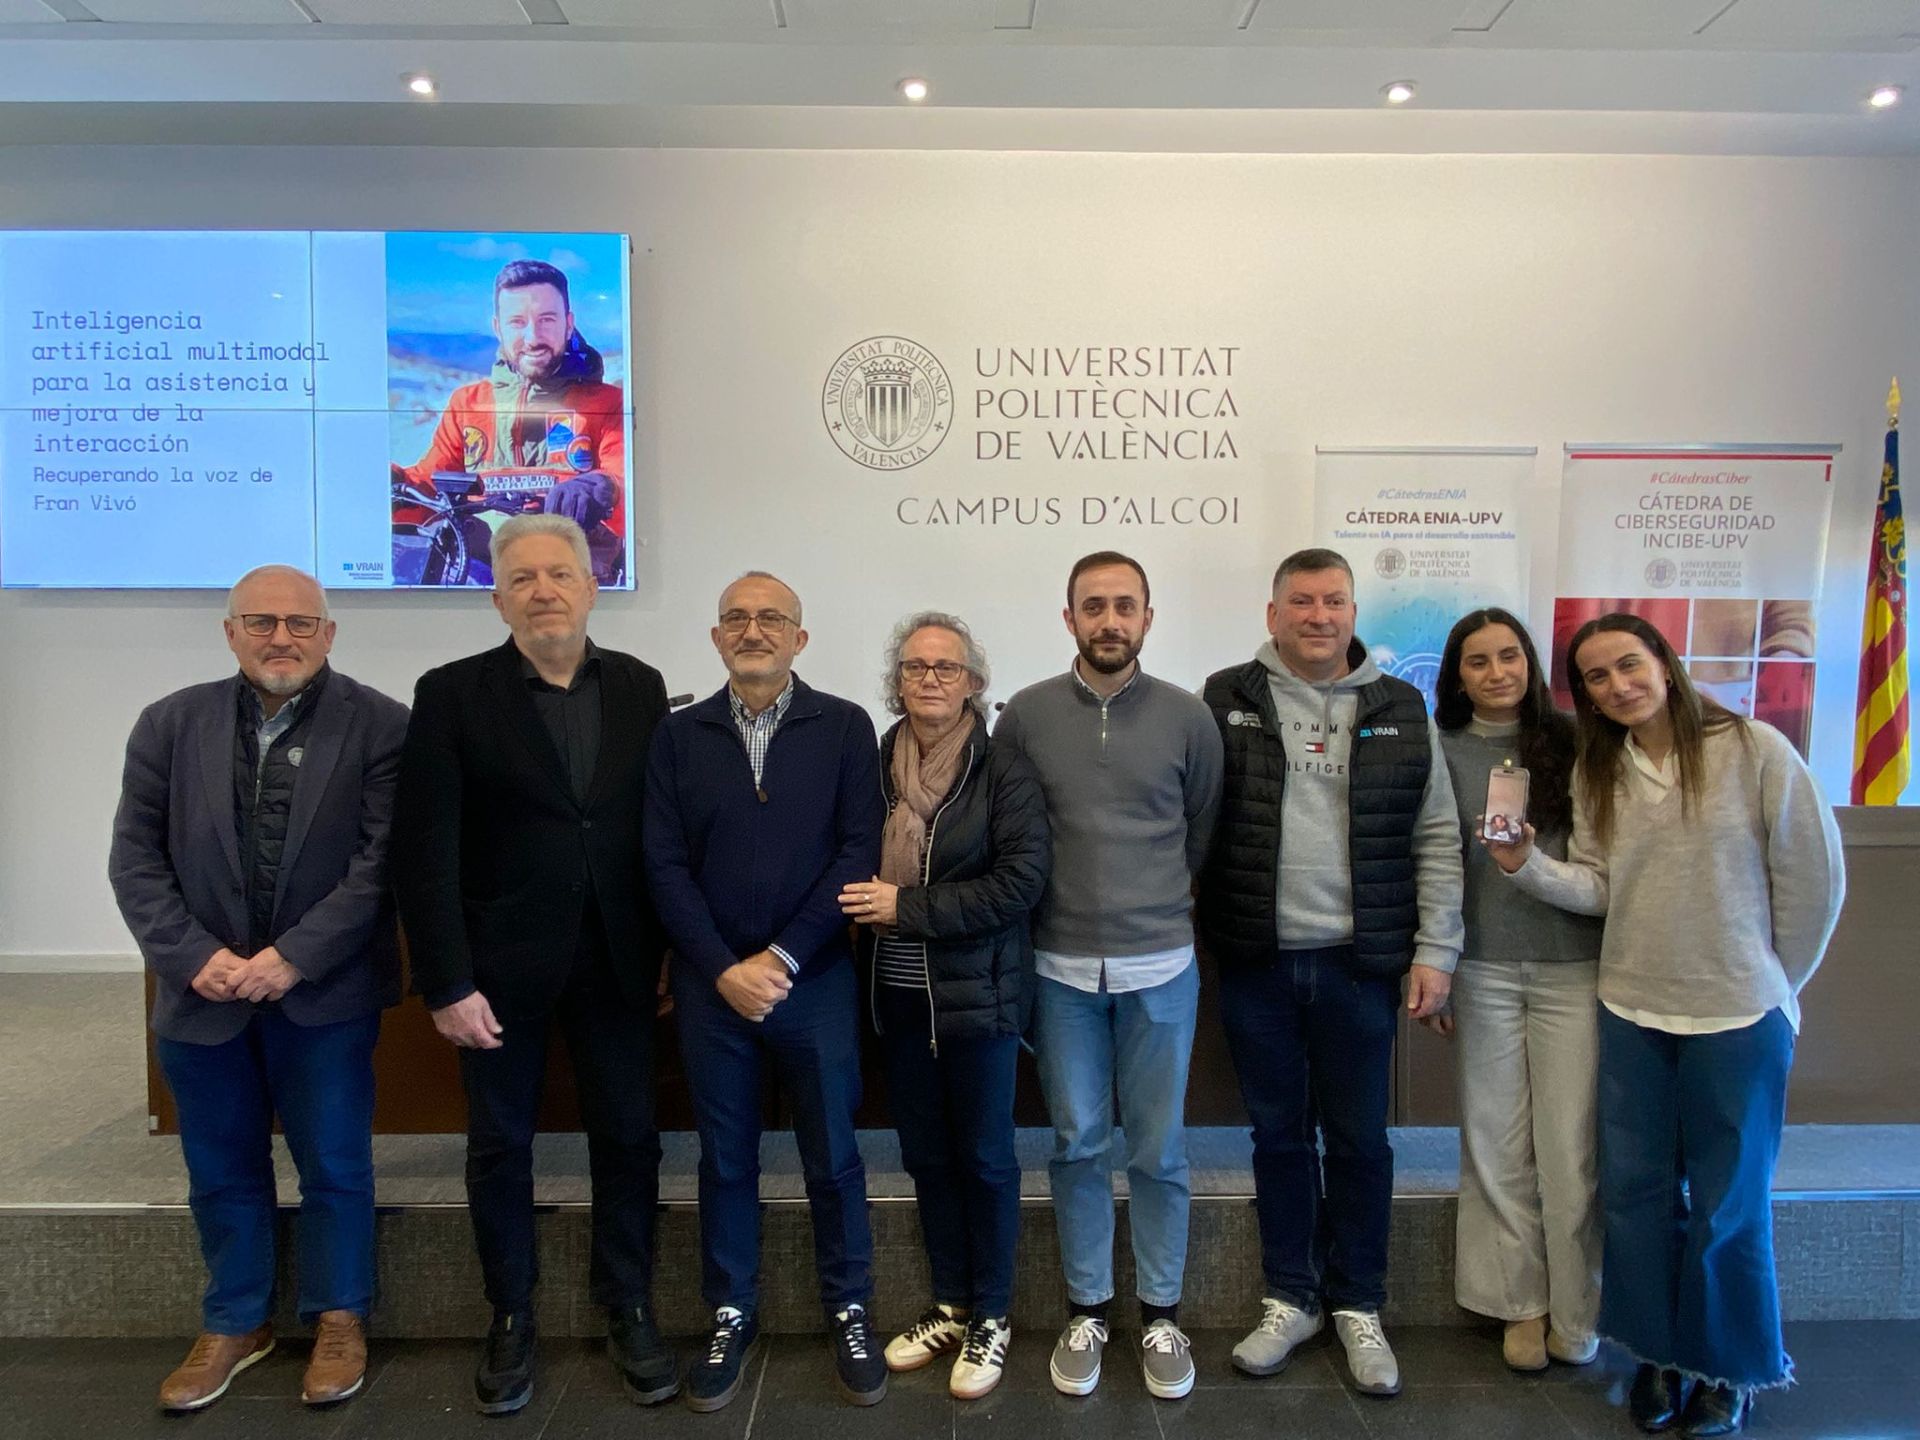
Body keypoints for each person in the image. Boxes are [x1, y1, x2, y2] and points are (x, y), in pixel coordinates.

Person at [1487, 613, 1844, 1438]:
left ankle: (1728, 1370)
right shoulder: (1600, 769)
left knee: (1729, 1202)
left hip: (1738, 1016)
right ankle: (1655, 1355)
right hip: (1633, 1008)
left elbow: (1812, 882)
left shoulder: (1752, 749)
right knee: (1640, 1195)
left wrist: (1775, 987)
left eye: (1628, 665)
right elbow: (1603, 888)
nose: (1618, 686)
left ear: (1664, 661)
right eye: (1598, 679)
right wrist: (1524, 866)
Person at [391, 514, 674, 1416]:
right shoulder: (450, 694)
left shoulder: (640, 686)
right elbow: (423, 851)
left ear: (592, 587)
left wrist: (667, 950)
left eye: (561, 573)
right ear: (496, 594)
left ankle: (626, 1304)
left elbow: (651, 835)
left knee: (629, 1139)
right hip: (496, 973)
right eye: (524, 578)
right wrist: (446, 982)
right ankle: (509, 1315)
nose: (544, 590)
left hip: (620, 962)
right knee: (499, 1147)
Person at [108, 565, 408, 1413]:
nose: (284, 638)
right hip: (201, 993)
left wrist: (293, 958)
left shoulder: (382, 726)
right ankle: (236, 1320)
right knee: (220, 1166)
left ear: (330, 633)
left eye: (302, 623)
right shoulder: (169, 724)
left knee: (336, 1164)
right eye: (263, 622)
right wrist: (190, 954)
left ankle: (340, 1316)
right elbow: (135, 857)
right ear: (230, 629)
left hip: (323, 993)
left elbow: (379, 868)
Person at [1195, 547, 1462, 1398]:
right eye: (1301, 602)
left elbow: (1437, 836)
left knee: (1358, 1141)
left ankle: (1360, 1305)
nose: (1319, 616)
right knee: (1277, 1138)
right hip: (1258, 961)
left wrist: (1436, 949)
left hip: (1360, 965)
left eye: (1334, 601)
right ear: (1271, 614)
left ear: (1354, 611)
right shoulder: (1224, 697)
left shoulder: (1400, 704)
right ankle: (1291, 1297)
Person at [644, 571, 888, 1412]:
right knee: (725, 1159)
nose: (753, 630)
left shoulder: (847, 727)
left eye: (771, 618)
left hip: (812, 979)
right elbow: (663, 865)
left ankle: (849, 1305)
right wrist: (721, 967)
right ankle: (730, 1310)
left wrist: (780, 957)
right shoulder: (677, 736)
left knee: (835, 1156)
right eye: (737, 619)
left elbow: (858, 852)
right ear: (716, 639)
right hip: (712, 990)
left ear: (799, 638)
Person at [993, 551, 1223, 1402]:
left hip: (1161, 964)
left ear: (1148, 618)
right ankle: (1087, 1305)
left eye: (1125, 605)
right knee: (1078, 1144)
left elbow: (1199, 831)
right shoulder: (1023, 715)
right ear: (1069, 620)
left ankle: (1161, 1311)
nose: (1109, 620)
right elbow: (1014, 829)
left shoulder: (1190, 719)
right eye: (1094, 606)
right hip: (1058, 969)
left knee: (1159, 1150)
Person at [840, 612, 1050, 1401]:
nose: (930, 679)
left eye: (947, 667)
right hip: (894, 998)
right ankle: (952, 1304)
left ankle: (994, 1313)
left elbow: (1020, 885)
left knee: (988, 1160)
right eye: (916, 667)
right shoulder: (873, 766)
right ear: (896, 681)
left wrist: (908, 908)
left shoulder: (1005, 771)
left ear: (973, 682)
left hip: (979, 1000)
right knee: (927, 1158)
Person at [1432, 607, 1604, 1373]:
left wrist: (1527, 863)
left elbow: (1604, 874)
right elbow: (1430, 868)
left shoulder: (1579, 745)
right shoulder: (1438, 752)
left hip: (1575, 970)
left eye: (1510, 656)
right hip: (1485, 971)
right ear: (1455, 674)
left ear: (1532, 664)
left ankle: (1578, 1307)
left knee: (1571, 1151)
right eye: (1478, 661)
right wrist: (1435, 964)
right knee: (1495, 1145)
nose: (1497, 673)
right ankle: (1520, 1306)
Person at [394, 258, 626, 583]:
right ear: (497, 327)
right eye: (517, 322)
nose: (533, 337)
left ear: (568, 323)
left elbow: (628, 490)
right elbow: (429, 490)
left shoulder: (607, 404)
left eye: (547, 319)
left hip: (574, 582)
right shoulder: (468, 403)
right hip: (477, 580)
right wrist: (388, 484)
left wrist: (602, 488)